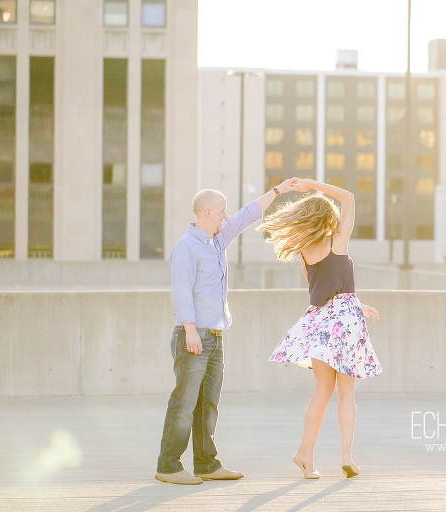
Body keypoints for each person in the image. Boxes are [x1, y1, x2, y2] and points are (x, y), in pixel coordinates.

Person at [156, 179, 297, 485]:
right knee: (184, 403)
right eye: (222, 211)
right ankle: (168, 466)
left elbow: (248, 215)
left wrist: (277, 191)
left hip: (216, 337)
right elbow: (181, 293)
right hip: (192, 336)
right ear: (207, 212)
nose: (226, 215)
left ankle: (206, 464)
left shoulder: (218, 240)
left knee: (208, 405)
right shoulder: (185, 248)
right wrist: (190, 330)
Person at [257, 178, 383, 479]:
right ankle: (346, 456)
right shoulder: (337, 241)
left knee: (322, 390)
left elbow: (325, 287)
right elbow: (349, 196)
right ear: (328, 218)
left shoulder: (303, 252)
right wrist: (313, 184)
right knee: (346, 393)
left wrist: (358, 304)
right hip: (345, 323)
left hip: (319, 322)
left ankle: (305, 454)